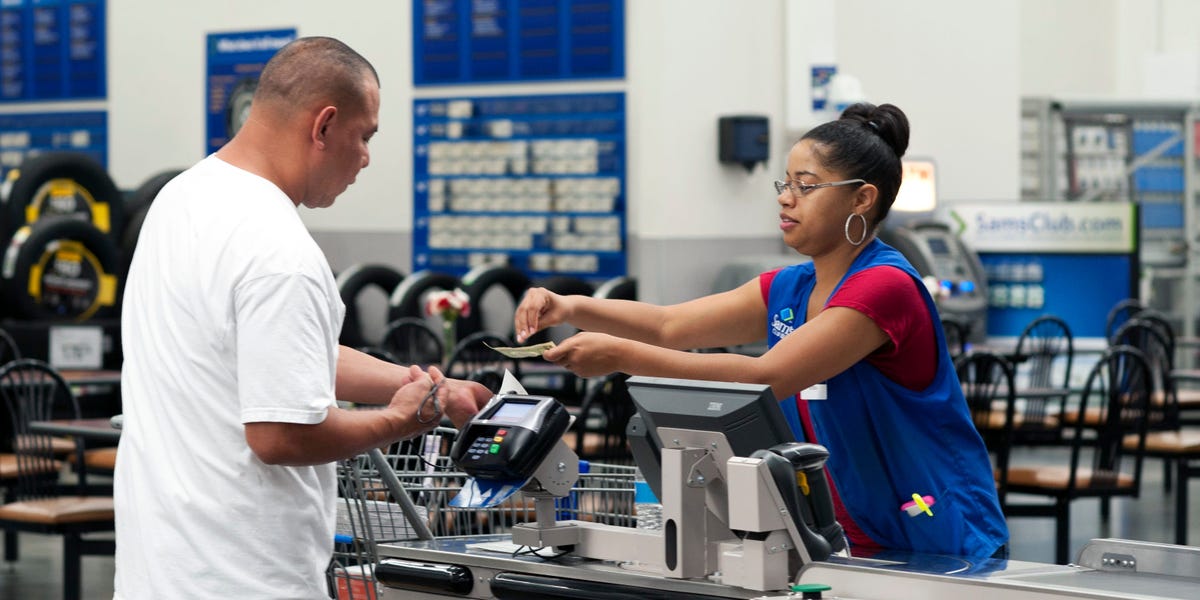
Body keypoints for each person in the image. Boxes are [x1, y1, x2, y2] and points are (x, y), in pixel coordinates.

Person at [513, 103, 1008, 559]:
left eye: (807, 186)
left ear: (862, 198)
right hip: (844, 536)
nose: (787, 199)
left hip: (937, 536)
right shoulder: (790, 286)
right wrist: (570, 305)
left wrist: (622, 356)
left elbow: (765, 378)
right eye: (784, 184)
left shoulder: (884, 287)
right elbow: (669, 325)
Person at [114, 37, 492, 599]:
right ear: (324, 126)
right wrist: (404, 420)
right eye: (364, 136)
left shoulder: (180, 199)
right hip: (244, 578)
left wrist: (429, 386)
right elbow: (281, 434)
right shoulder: (279, 253)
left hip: (159, 569)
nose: (365, 157)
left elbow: (286, 354)